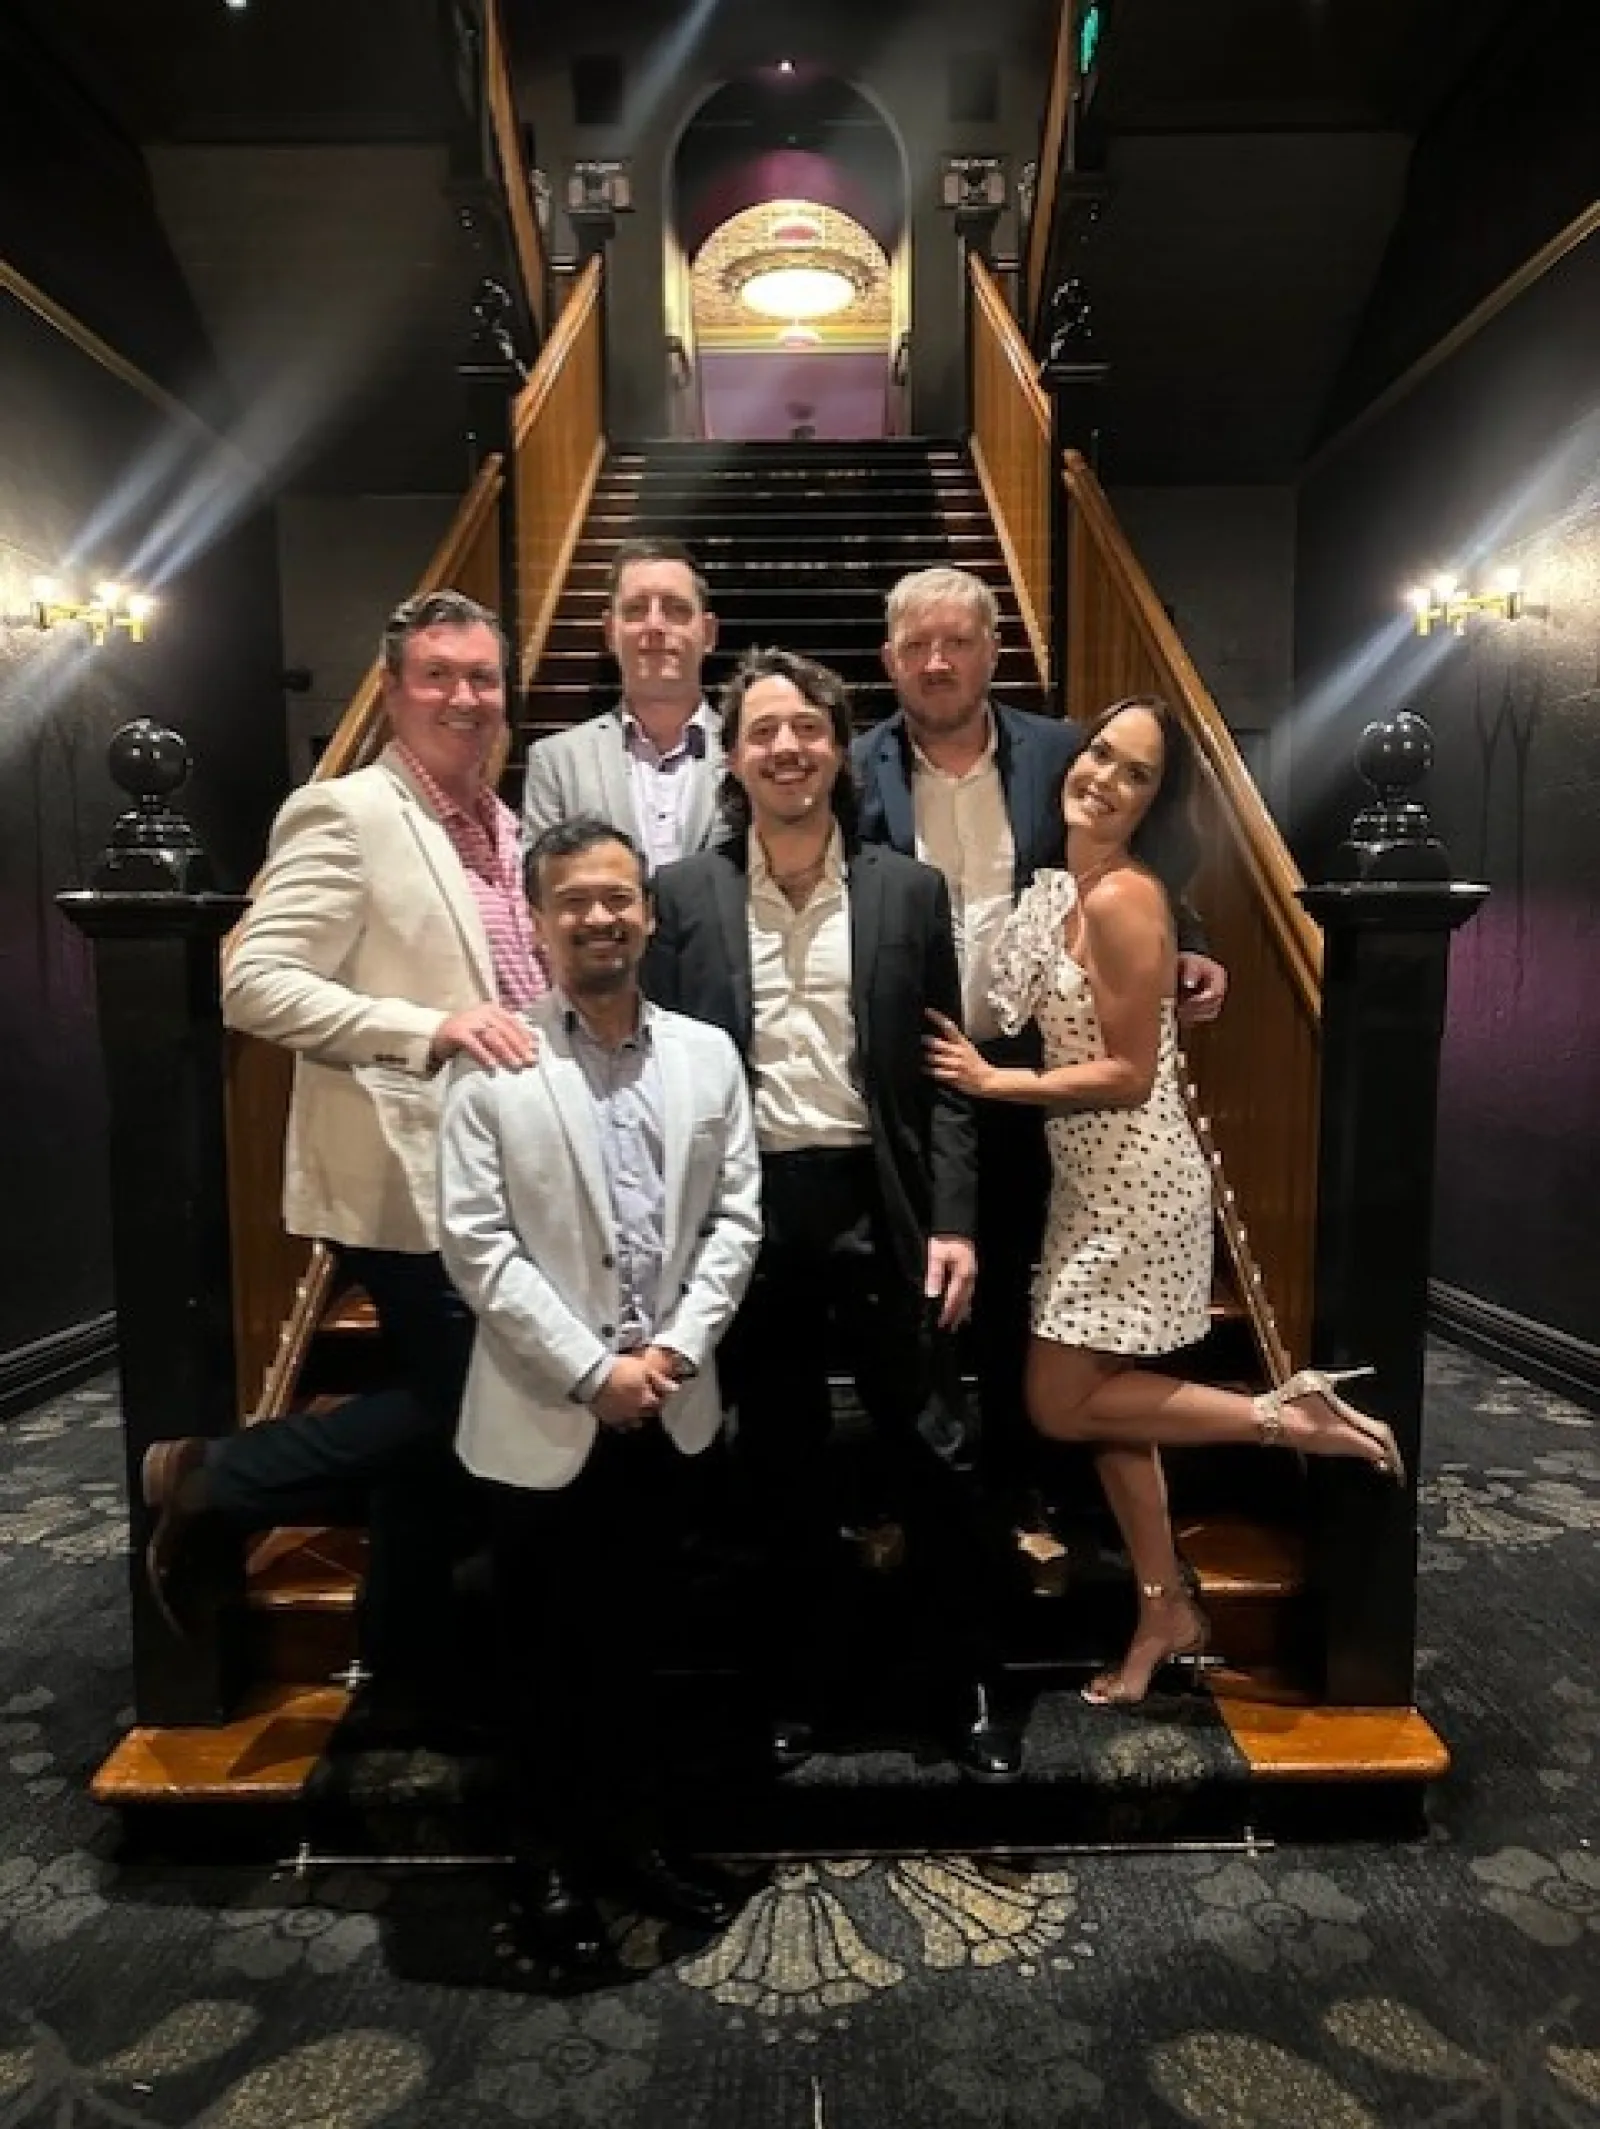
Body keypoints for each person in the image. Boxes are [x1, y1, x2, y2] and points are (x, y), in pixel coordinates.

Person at [925, 695, 1402, 1708]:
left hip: (1135, 1184)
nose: (1102, 775)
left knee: (1058, 1398)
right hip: (1087, 1180)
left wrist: (991, 1081)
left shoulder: (1123, 898)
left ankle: (1283, 1415)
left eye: (1133, 772)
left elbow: (1132, 1072)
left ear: (1153, 802)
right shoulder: (1068, 884)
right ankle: (1162, 1608)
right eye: (1099, 751)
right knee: (1109, 1412)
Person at [141, 588, 542, 1739]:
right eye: (439, 676)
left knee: (447, 1421)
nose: (465, 697)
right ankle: (220, 1477)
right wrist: (424, 1026)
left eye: (481, 677)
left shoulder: (501, 826)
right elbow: (252, 979)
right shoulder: (345, 812)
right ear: (395, 691)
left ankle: (405, 1659)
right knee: (487, 1401)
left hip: (492, 1181)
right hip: (397, 1174)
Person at [645, 646, 1021, 1778]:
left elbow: (945, 1071)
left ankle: (970, 1682)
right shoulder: (682, 894)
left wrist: (954, 1220)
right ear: (734, 752)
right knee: (783, 1465)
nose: (785, 747)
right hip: (750, 1214)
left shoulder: (908, 889)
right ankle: (798, 1680)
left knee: (936, 1447)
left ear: (836, 743)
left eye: (804, 726)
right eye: (761, 729)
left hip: (882, 1202)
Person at [439, 815, 761, 1972]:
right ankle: (548, 1865)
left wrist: (667, 1355)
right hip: (545, 1416)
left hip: (667, 1413)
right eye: (572, 899)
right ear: (536, 920)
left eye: (617, 896)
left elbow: (736, 1220)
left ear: (649, 910)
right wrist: (594, 1370)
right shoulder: (498, 1063)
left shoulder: (708, 1054)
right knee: (539, 1664)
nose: (598, 916)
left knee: (643, 1648)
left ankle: (635, 1843)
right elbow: (476, 1247)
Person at [857, 567, 1229, 1523]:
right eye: (916, 646)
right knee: (918, 1294)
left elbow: (1133, 862)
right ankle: (925, 1500)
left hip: (1036, 1075)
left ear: (992, 650)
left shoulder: (1063, 754)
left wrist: (1191, 944)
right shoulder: (856, 769)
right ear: (889, 659)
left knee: (1033, 1297)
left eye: (958, 642)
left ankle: (1026, 1504)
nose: (938, 662)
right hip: (918, 1076)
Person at [521, 536, 726, 865]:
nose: (655, 625)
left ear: (709, 633)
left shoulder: (748, 755)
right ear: (609, 632)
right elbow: (543, 893)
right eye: (635, 610)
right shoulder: (557, 763)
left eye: (676, 610)